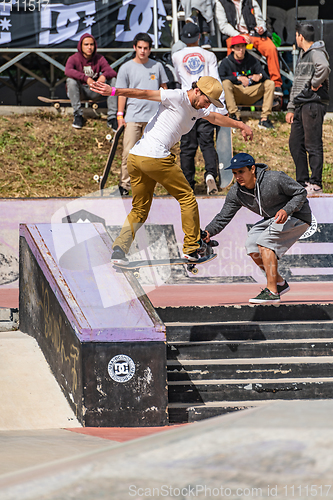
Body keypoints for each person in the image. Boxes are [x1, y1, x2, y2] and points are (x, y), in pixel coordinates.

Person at [89, 76, 253, 263]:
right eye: (206, 101)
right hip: (154, 157)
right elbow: (144, 93)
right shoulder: (176, 96)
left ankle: (119, 249)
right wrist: (113, 91)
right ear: (197, 91)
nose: (206, 106)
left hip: (136, 158)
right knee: (187, 198)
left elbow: (215, 118)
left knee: (140, 209)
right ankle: (191, 248)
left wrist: (240, 125)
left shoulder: (198, 109)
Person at [203, 152, 312, 304]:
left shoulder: (274, 179)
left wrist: (286, 210)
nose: (237, 176)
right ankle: (279, 283)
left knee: (264, 241)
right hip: (272, 219)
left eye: (241, 171)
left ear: (252, 169)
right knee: (252, 244)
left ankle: (272, 292)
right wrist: (208, 232)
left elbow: (301, 192)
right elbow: (223, 216)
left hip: (298, 216)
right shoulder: (237, 192)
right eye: (235, 173)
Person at [172, 23, 228, 195]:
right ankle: (210, 174)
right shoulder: (209, 55)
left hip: (187, 103)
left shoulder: (176, 56)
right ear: (199, 37)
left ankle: (187, 183)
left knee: (187, 146)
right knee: (207, 143)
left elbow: (178, 80)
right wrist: (222, 108)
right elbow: (215, 82)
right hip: (206, 102)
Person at [115, 33, 169, 197]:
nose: (143, 51)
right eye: (140, 48)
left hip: (154, 119)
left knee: (150, 155)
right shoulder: (126, 67)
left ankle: (147, 187)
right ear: (134, 48)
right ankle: (125, 185)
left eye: (146, 48)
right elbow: (121, 93)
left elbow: (164, 89)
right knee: (128, 153)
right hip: (132, 117)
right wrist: (120, 115)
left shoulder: (157, 66)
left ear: (150, 49)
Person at [286, 22, 330, 196]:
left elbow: (324, 68)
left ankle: (316, 182)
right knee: (295, 143)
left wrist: (314, 84)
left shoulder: (316, 53)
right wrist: (290, 107)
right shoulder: (304, 55)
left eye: (296, 35)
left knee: (313, 144)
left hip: (313, 103)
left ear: (300, 36)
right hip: (299, 104)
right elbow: (297, 83)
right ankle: (302, 181)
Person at [214, 0, 283, 97]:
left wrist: (261, 28)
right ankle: (233, 82)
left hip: (253, 34)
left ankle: (276, 83)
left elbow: (260, 20)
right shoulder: (220, 3)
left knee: (271, 48)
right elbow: (223, 25)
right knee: (232, 49)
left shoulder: (251, 1)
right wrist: (238, 35)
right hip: (234, 34)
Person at [218, 35, 275, 129]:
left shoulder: (252, 60)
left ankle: (264, 119)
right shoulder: (226, 62)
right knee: (226, 83)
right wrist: (238, 78)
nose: (241, 50)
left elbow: (265, 76)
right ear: (232, 49)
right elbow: (220, 78)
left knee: (270, 83)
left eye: (243, 46)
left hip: (251, 92)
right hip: (235, 93)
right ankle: (235, 117)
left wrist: (259, 76)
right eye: (237, 47)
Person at [65, 33, 117, 130]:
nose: (89, 47)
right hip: (79, 92)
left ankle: (112, 117)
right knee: (70, 81)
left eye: (91, 44)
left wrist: (103, 76)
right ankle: (78, 115)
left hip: (95, 91)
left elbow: (112, 72)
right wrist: (86, 78)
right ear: (80, 46)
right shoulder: (73, 58)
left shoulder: (99, 58)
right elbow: (68, 71)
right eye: (86, 44)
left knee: (113, 80)